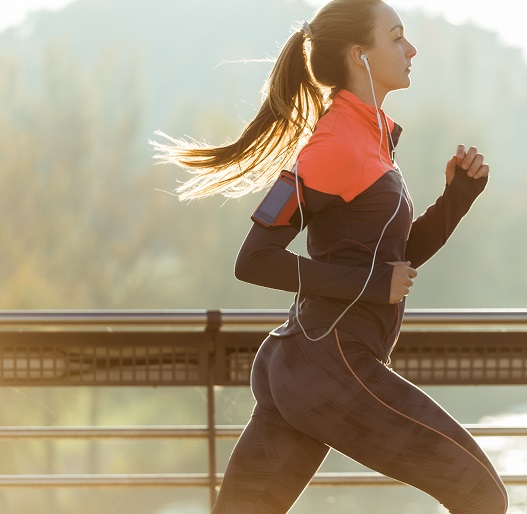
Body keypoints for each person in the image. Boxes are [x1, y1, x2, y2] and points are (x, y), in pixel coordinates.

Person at [152, 0, 508, 512]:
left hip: (308, 364)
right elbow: (254, 260)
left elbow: (394, 261)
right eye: (397, 37)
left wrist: (457, 198)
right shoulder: (335, 143)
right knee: (481, 495)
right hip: (328, 364)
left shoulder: (372, 136)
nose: (412, 49)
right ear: (359, 55)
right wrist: (369, 287)